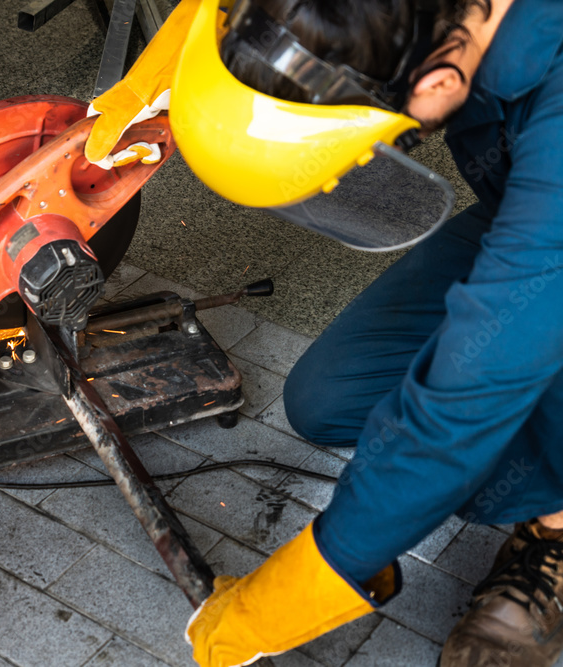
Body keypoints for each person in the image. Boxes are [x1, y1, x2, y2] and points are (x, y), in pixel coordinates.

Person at [85, 0, 563, 665]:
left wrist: (293, 593)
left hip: (548, 224)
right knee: (334, 396)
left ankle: (554, 530)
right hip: (530, 209)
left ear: (434, 85)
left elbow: (465, 396)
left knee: (468, 443)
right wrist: (160, 78)